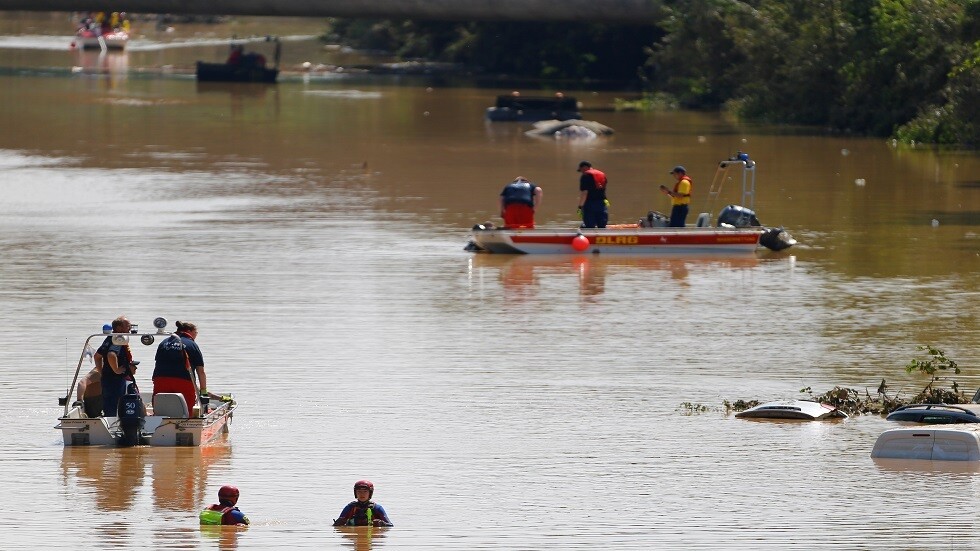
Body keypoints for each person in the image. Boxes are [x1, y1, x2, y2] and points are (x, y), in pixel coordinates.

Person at [153, 320, 208, 415]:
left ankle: (158, 425)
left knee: (160, 408)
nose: (196, 335)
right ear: (189, 331)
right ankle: (188, 426)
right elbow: (201, 371)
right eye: (196, 333)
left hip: (161, 379)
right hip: (183, 381)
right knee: (187, 410)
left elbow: (157, 362)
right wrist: (203, 391)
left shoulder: (164, 342)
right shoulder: (192, 345)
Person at [95, 316, 137, 417]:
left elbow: (97, 356)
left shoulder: (110, 338)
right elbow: (111, 354)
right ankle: (113, 425)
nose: (130, 328)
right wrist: (117, 370)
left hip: (107, 378)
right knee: (115, 404)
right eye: (127, 326)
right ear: (118, 328)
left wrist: (102, 372)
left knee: (109, 404)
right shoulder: (119, 339)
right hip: (116, 379)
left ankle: (109, 420)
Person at [576, 161, 608, 228]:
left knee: (589, 226)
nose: (581, 172)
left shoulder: (585, 176)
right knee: (602, 225)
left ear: (585, 167)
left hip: (590, 204)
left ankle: (589, 237)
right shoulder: (602, 174)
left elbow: (584, 193)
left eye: (581, 170)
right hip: (602, 204)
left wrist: (580, 207)